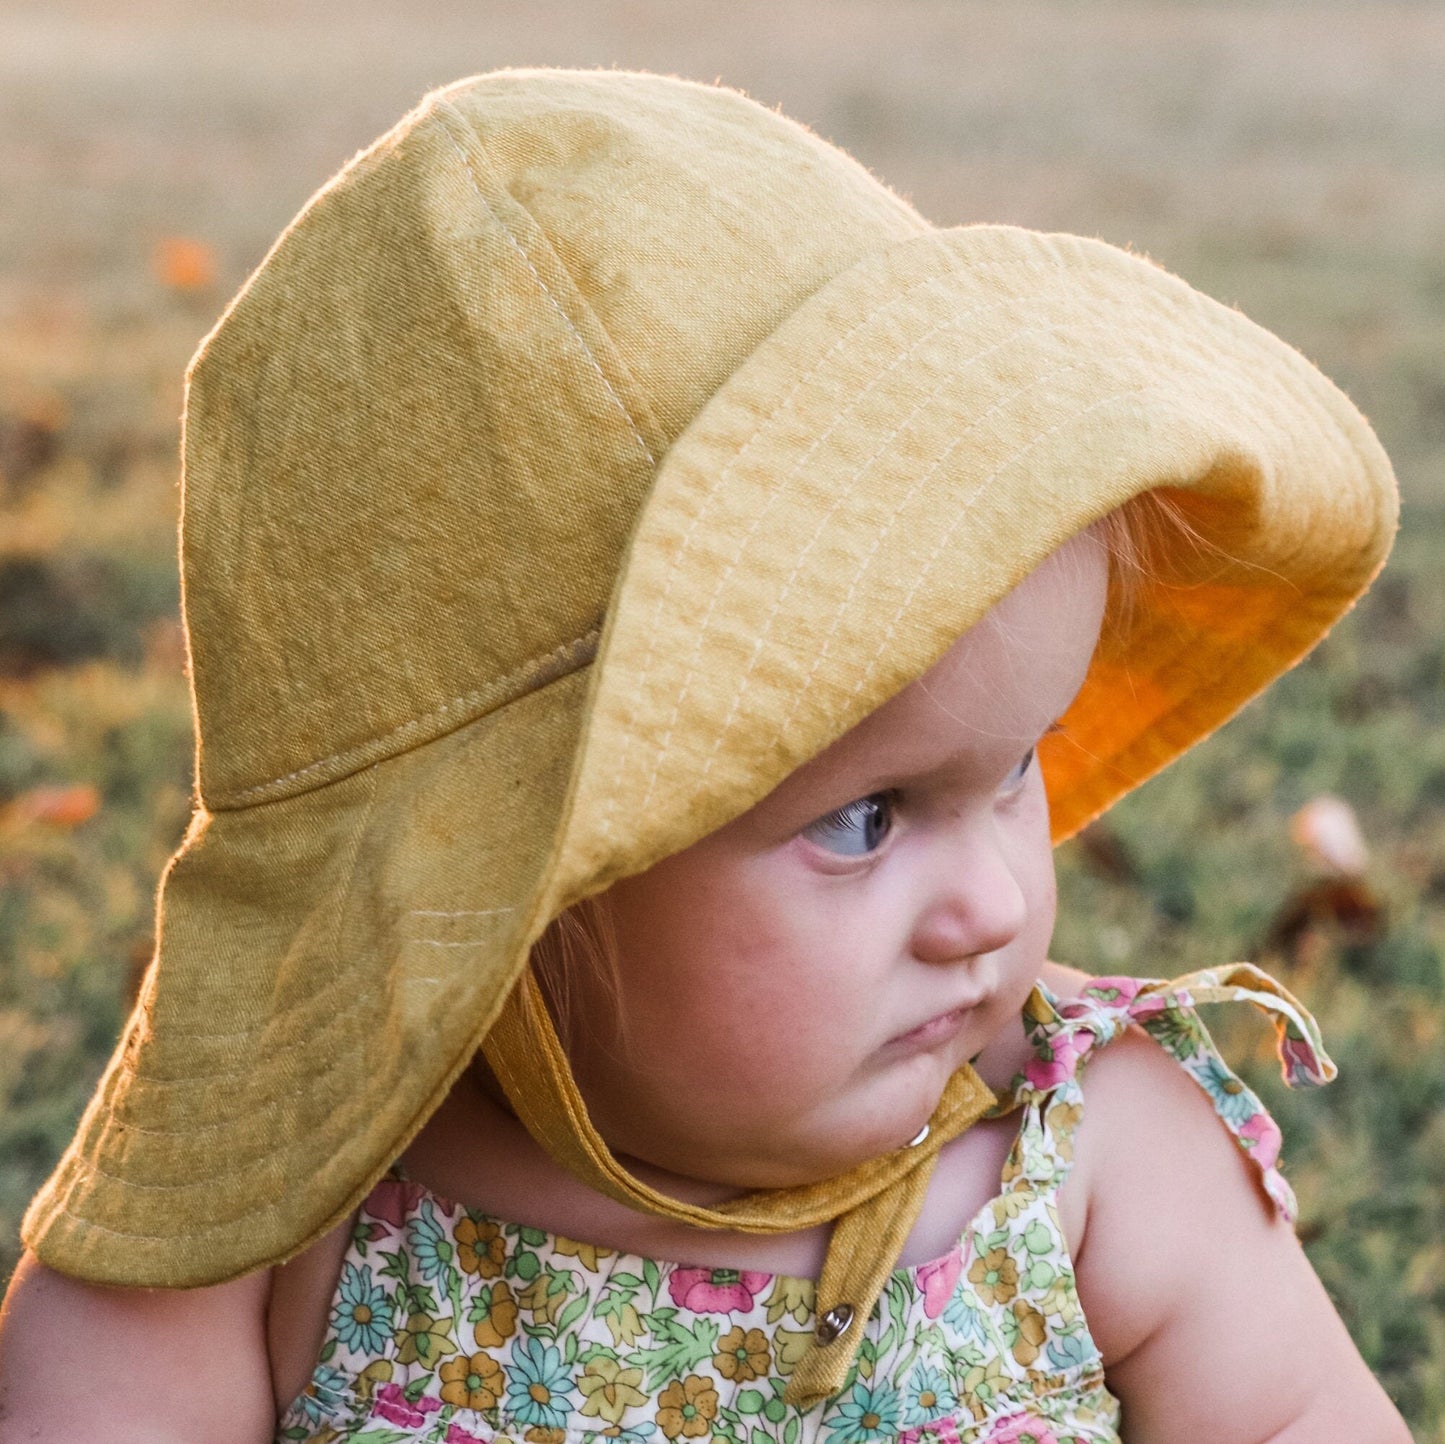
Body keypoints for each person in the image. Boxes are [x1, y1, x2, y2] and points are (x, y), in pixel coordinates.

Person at [0, 68, 1411, 1444]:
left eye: (1014, 769)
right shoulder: (292, 1203)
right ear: (518, 892)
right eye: (862, 821)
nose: (993, 903)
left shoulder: (1095, 1159)